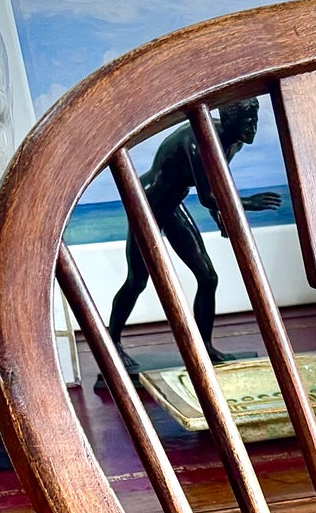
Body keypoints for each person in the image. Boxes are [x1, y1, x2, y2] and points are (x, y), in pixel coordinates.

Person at [106, 99, 272, 364]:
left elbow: (216, 182)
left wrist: (222, 217)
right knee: (137, 280)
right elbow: (208, 196)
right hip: (145, 201)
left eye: (255, 121)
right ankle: (111, 342)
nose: (253, 128)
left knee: (208, 278)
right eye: (247, 123)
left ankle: (205, 348)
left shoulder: (234, 141)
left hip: (172, 202)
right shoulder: (198, 140)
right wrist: (248, 203)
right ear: (229, 122)